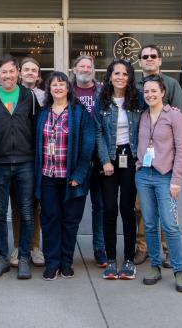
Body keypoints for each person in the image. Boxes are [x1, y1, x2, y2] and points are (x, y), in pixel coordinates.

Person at [0, 55, 38, 280]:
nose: (8, 76)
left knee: (26, 213)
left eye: (11, 71)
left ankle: (23, 257)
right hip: (0, 163)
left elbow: (35, 127)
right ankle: (1, 258)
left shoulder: (29, 97)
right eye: (3, 72)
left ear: (18, 73)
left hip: (26, 163)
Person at [34, 71, 95, 281]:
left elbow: (88, 145)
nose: (58, 87)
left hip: (72, 179)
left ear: (68, 88)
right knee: (50, 220)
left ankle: (66, 262)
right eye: (54, 85)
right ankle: (52, 263)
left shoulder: (79, 112)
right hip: (48, 177)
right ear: (48, 89)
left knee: (70, 222)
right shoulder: (42, 113)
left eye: (62, 84)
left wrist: (79, 174)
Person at [133, 44, 182, 266]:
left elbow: (181, 122)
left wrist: (176, 169)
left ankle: (166, 250)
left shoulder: (171, 84)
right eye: (145, 56)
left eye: (153, 56)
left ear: (160, 60)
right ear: (140, 61)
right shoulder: (134, 86)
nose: (149, 59)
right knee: (140, 208)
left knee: (166, 211)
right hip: (143, 163)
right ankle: (143, 247)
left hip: (166, 163)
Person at [96, 59, 143, 280]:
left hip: (130, 158)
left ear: (130, 77)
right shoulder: (102, 100)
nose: (121, 77)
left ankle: (129, 260)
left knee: (127, 209)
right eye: (117, 73)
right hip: (109, 159)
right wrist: (105, 160)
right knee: (109, 210)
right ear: (110, 76)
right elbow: (98, 132)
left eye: (125, 74)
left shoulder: (138, 99)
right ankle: (111, 260)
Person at [71, 55, 107, 268]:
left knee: (100, 206)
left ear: (93, 70)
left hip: (100, 157)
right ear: (74, 69)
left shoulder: (103, 91)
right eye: (81, 66)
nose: (85, 69)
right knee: (74, 206)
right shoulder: (67, 90)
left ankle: (100, 248)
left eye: (89, 66)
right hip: (76, 160)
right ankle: (68, 249)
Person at [10, 57, 46, 268]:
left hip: (38, 158)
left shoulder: (45, 96)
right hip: (16, 157)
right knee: (17, 206)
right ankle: (17, 245)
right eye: (27, 69)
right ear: (19, 73)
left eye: (34, 69)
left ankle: (34, 246)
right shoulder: (11, 94)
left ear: (38, 75)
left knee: (34, 206)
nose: (30, 73)